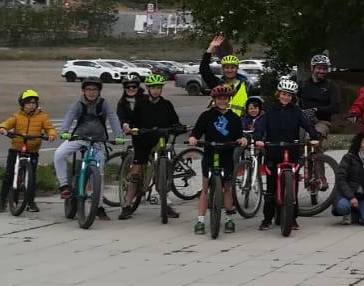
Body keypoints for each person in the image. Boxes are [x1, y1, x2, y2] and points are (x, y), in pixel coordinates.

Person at [253, 78, 320, 232]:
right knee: (271, 189)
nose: (286, 97)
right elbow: (260, 126)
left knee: (293, 187)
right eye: (284, 94)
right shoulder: (270, 111)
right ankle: (267, 218)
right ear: (278, 94)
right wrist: (258, 139)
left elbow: (308, 125)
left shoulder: (296, 112)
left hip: (291, 151)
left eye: (289, 95)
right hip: (273, 150)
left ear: (292, 97)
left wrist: (314, 137)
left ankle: (292, 218)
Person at [118, 73, 184, 220]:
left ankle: (166, 205)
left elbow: (174, 121)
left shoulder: (166, 104)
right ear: (148, 89)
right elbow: (134, 122)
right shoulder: (141, 104)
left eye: (158, 88)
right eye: (153, 88)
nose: (155, 90)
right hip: (142, 141)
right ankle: (127, 205)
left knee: (164, 171)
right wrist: (133, 129)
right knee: (136, 173)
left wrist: (180, 128)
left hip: (160, 140)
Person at [54, 79, 124, 206]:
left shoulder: (104, 104)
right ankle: (64, 186)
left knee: (99, 173)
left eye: (94, 90)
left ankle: (99, 207)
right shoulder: (78, 104)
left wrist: (119, 135)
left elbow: (113, 118)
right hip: (79, 138)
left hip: (98, 140)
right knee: (59, 154)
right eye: (88, 89)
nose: (91, 92)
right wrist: (64, 131)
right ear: (83, 91)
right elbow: (70, 115)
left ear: (99, 91)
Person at [187, 84, 242, 234]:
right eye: (219, 98)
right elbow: (196, 132)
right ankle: (200, 221)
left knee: (227, 188)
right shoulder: (206, 116)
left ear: (229, 99)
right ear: (214, 100)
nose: (222, 101)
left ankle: (229, 219)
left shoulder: (234, 117)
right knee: (205, 189)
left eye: (225, 98)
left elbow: (239, 135)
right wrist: (193, 138)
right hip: (210, 154)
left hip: (226, 154)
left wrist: (242, 139)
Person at [0, 90, 56, 214]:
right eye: (28, 103)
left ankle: (31, 202)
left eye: (33, 103)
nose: (31, 105)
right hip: (16, 148)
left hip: (32, 150)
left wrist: (51, 135)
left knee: (31, 177)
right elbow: (6, 124)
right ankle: (2, 201)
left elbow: (49, 128)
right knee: (9, 175)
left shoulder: (42, 117)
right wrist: (3, 129)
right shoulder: (17, 116)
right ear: (22, 104)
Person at [333, 133, 364, 225]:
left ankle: (355, 213)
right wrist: (351, 197)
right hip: (347, 194)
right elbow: (340, 179)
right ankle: (347, 212)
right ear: (359, 143)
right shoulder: (349, 157)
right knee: (343, 206)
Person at [199, 38, 251, 111]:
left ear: (237, 69)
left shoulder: (247, 85)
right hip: (220, 118)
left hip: (240, 118)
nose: (229, 70)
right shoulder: (218, 84)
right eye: (227, 68)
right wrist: (211, 48)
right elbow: (204, 70)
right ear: (222, 69)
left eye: (232, 68)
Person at [297, 55, 340, 138]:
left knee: (313, 136)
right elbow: (292, 100)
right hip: (303, 119)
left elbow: (335, 107)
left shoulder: (331, 85)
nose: (322, 71)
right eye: (319, 68)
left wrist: (316, 110)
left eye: (324, 69)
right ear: (312, 68)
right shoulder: (303, 85)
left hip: (321, 121)